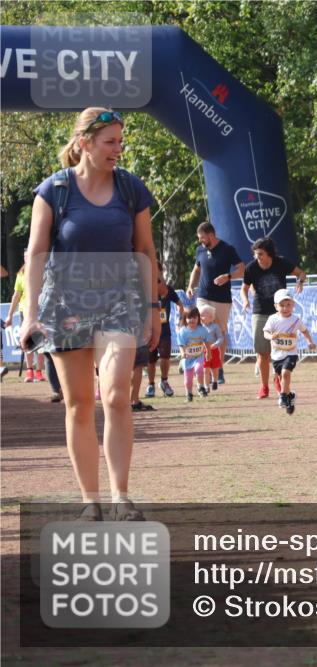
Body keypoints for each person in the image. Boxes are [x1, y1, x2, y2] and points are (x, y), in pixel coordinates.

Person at [19, 107, 158, 521]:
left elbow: (146, 251)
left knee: (116, 397)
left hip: (119, 302)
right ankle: (90, 501)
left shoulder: (131, 188)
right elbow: (36, 254)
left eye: (120, 140)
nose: (119, 148)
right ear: (84, 143)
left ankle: (120, 498)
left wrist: (152, 310)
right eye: (110, 141)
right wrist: (30, 316)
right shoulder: (54, 190)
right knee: (79, 404)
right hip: (64, 304)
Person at [240, 236, 307, 399]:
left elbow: (301, 273)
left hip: (281, 314)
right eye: (256, 254)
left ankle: (277, 378)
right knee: (263, 353)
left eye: (261, 254)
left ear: (269, 253)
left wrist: (300, 281)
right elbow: (244, 288)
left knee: (281, 352)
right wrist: (245, 300)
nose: (257, 257)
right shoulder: (251, 268)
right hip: (260, 311)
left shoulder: (281, 262)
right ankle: (264, 387)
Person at [186, 221, 244, 384]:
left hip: (222, 299)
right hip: (203, 296)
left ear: (211, 235)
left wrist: (228, 276)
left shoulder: (227, 249)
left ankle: (218, 367)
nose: (200, 241)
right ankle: (204, 366)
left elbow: (242, 268)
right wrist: (191, 286)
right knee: (200, 331)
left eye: (202, 237)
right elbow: (196, 270)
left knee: (219, 332)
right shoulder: (200, 250)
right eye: (199, 238)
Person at [264, 289, 317, 415]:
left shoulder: (295, 320)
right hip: (277, 355)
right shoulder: (272, 319)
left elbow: (304, 331)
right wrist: (271, 336)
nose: (285, 308)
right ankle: (290, 397)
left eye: (288, 304)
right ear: (276, 306)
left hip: (291, 353)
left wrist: (309, 342)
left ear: (293, 305)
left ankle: (283, 396)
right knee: (282, 378)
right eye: (282, 305)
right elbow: (265, 332)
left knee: (286, 373)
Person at [6, 254, 45, 382]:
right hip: (25, 311)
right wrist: (10, 315)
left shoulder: (42, 272)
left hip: (40, 310)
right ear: (24, 258)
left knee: (40, 342)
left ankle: (39, 371)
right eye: (26, 257)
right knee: (27, 341)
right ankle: (30, 371)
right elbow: (16, 296)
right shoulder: (21, 275)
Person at [145, 273, 183, 398]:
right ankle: (150, 385)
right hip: (149, 330)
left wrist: (181, 317)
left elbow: (179, 303)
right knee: (151, 359)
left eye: (159, 278)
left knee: (165, 357)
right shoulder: (146, 289)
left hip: (164, 330)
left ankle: (164, 381)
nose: (157, 280)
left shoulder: (168, 289)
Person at [177, 306, 210, 402]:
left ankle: (200, 386)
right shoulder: (183, 331)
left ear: (198, 318)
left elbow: (206, 341)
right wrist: (183, 353)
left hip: (199, 356)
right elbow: (181, 344)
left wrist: (208, 352)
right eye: (189, 317)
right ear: (185, 319)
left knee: (199, 369)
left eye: (194, 317)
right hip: (187, 359)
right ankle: (189, 394)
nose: (192, 320)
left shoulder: (202, 330)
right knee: (188, 381)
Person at [199, 304, 225, 391]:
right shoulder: (199, 328)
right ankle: (206, 387)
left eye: (203, 315)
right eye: (200, 315)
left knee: (214, 369)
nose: (201, 317)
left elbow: (221, 338)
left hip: (214, 351)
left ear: (210, 317)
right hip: (204, 352)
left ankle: (215, 381)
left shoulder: (215, 327)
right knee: (205, 370)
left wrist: (216, 344)